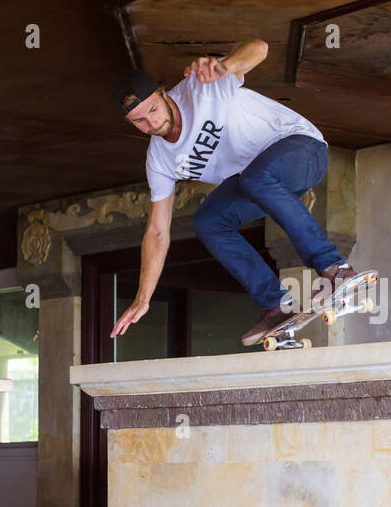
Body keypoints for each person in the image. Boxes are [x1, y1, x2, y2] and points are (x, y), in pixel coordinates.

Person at [111, 39, 357, 345]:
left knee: (255, 177)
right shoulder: (159, 160)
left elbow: (261, 48)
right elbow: (158, 231)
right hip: (264, 183)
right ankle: (277, 305)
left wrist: (225, 66)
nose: (152, 122)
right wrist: (143, 297)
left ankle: (335, 269)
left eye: (153, 109)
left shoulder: (200, 89)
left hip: (303, 149)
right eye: (139, 121)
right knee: (208, 221)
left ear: (163, 94)